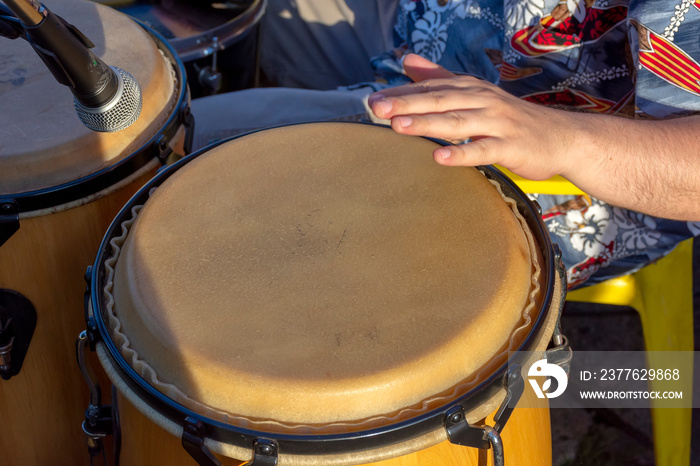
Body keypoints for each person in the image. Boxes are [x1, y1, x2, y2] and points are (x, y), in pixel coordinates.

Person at [192, 0, 700, 289]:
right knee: (200, 24)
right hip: (426, 26)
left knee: (178, 148)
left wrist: (564, 139)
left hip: (552, 154)